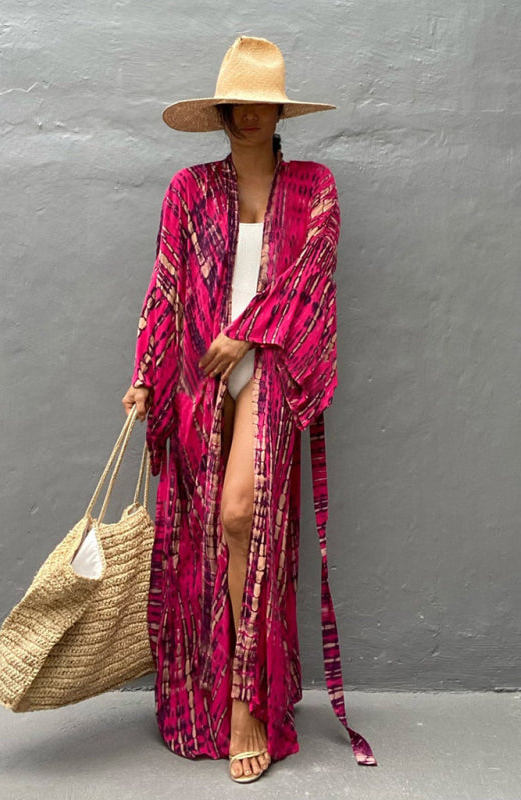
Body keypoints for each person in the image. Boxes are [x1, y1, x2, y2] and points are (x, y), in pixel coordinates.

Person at [122, 35, 376, 783]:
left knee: (243, 517)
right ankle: (207, 689)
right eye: (238, 104)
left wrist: (247, 332)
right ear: (224, 111)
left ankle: (246, 702)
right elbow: (166, 282)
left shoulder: (316, 186)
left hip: (271, 365)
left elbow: (311, 277)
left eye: (264, 104)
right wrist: (145, 376)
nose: (250, 115)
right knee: (204, 534)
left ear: (280, 111)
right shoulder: (189, 188)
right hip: (197, 374)